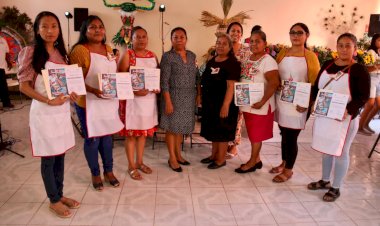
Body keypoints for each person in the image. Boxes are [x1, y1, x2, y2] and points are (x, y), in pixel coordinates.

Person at [17, 11, 80, 218]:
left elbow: (65, 84)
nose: (50, 31)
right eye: (44, 26)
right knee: (48, 158)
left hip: (60, 112)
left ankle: (59, 194)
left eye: (54, 26)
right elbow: (24, 87)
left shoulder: (62, 54)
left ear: (59, 29)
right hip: (43, 112)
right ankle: (53, 200)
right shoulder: (30, 52)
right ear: (37, 29)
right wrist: (47, 100)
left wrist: (71, 93)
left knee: (60, 155)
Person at [308, 33, 370, 202]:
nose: (343, 49)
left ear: (355, 49)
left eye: (348, 45)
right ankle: (325, 180)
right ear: (336, 47)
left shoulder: (358, 69)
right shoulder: (328, 64)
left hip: (345, 119)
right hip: (325, 116)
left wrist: (348, 110)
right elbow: (317, 87)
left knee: (341, 152)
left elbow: (363, 96)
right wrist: (313, 101)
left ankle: (336, 187)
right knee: (326, 150)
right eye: (340, 45)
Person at [70, 15, 123, 191]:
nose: (98, 30)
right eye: (93, 27)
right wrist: (93, 91)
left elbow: (112, 75)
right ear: (85, 31)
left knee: (107, 138)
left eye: (101, 26)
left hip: (107, 102)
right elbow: (73, 81)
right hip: (88, 103)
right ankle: (95, 172)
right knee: (92, 139)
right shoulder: (79, 50)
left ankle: (109, 171)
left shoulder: (108, 48)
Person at [272, 23, 320, 182]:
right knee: (283, 134)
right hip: (282, 100)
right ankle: (284, 162)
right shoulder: (283, 53)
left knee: (291, 137)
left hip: (299, 104)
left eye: (300, 33)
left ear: (307, 35)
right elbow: (275, 74)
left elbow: (315, 82)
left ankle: (288, 170)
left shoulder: (310, 56)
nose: (296, 35)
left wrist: (309, 102)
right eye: (292, 32)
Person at [235, 30, 280, 173]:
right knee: (254, 134)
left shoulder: (268, 61)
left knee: (256, 136)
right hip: (249, 104)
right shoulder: (249, 58)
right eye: (251, 41)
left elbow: (274, 83)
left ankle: (252, 162)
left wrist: (262, 102)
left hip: (260, 106)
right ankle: (258, 159)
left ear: (264, 44)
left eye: (257, 41)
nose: (254, 44)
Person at [118, 26, 159, 180]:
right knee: (131, 135)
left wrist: (156, 87)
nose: (141, 40)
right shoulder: (128, 54)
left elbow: (156, 76)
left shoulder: (152, 55)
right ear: (132, 39)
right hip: (132, 102)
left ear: (147, 39)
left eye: (144, 37)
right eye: (138, 37)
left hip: (148, 102)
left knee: (142, 135)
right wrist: (134, 91)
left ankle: (140, 162)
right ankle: (131, 166)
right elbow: (120, 78)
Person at [160, 27, 199, 172]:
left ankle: (178, 155)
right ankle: (172, 158)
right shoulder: (167, 56)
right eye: (175, 37)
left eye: (181, 37)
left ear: (186, 39)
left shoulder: (192, 55)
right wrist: (168, 101)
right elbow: (164, 81)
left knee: (180, 128)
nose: (179, 39)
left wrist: (198, 95)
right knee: (171, 128)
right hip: (173, 96)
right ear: (171, 40)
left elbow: (196, 76)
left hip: (188, 96)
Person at [200, 33, 241, 169]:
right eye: (218, 43)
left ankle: (221, 159)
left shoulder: (232, 63)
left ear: (230, 47)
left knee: (222, 132)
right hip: (210, 104)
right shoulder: (212, 60)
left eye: (224, 44)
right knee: (213, 130)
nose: (220, 46)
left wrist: (225, 105)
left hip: (224, 103)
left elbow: (231, 86)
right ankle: (213, 155)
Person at [226, 22, 252, 159]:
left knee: (238, 117)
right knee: (226, 115)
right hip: (225, 88)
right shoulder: (224, 47)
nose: (235, 33)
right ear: (228, 32)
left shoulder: (247, 50)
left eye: (238, 31)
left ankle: (234, 145)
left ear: (241, 34)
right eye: (232, 30)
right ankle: (225, 142)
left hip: (242, 88)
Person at [358, 33, 380, 135]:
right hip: (372, 78)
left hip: (379, 79)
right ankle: (359, 127)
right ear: (374, 41)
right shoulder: (371, 52)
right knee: (370, 104)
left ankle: (366, 124)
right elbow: (366, 68)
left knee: (378, 105)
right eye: (379, 40)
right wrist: (377, 66)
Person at [0, 28, 14, 109]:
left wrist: (9, 62)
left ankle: (6, 103)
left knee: (3, 86)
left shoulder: (3, 40)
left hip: (1, 67)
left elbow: (7, 53)